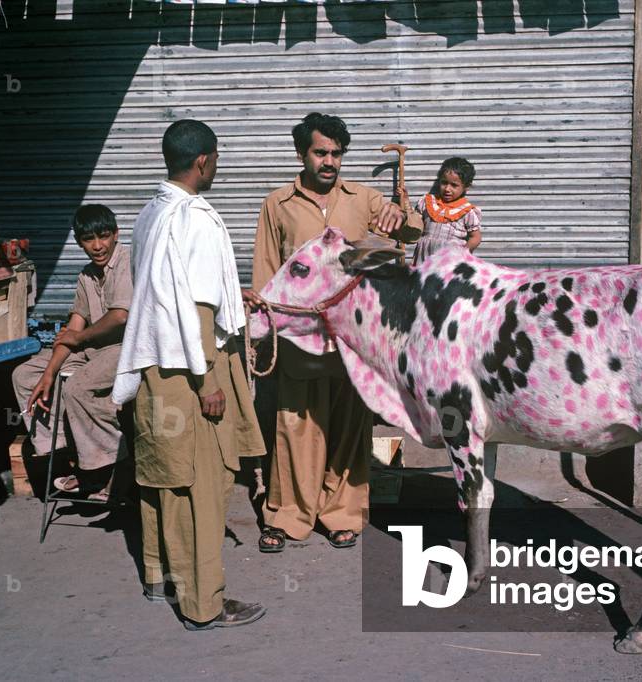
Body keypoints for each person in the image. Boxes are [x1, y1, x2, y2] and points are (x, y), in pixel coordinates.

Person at [112, 119, 266, 630]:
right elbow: (196, 307)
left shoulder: (151, 211)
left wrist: (232, 294)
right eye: (216, 159)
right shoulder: (196, 217)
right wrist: (209, 382)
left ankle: (159, 577)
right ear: (204, 160)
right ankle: (204, 603)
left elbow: (164, 289)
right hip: (190, 367)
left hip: (155, 364)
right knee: (201, 484)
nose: (216, 167)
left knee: (163, 477)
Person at [249, 112, 423, 552]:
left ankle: (343, 513)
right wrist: (263, 329)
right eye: (321, 152)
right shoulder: (278, 204)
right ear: (301, 153)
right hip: (298, 340)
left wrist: (398, 212)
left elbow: (414, 232)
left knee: (350, 429)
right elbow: (268, 271)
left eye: (337, 154)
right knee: (295, 429)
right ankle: (288, 514)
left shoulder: (363, 198)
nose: (330, 161)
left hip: (352, 342)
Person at [11, 204, 131, 501]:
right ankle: (67, 453)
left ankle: (104, 471)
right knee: (25, 375)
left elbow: (120, 316)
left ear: (116, 234)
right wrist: (49, 373)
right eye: (89, 239)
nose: (98, 246)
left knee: (77, 388)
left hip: (127, 348)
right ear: (79, 242)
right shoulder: (87, 275)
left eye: (103, 236)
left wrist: (79, 337)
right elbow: (73, 327)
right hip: (94, 349)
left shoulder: (126, 260)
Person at [412, 157, 482, 264]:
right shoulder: (428, 202)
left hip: (450, 260)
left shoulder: (466, 211)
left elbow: (475, 237)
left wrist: (463, 253)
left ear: (466, 187)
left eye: (454, 185)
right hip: (425, 257)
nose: (447, 189)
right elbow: (414, 222)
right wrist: (406, 204)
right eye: (444, 183)